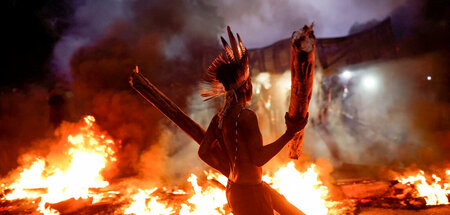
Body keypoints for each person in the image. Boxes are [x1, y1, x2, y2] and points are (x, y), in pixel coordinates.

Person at [198, 26, 308, 215]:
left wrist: (232, 170)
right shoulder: (246, 116)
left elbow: (203, 153)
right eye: (250, 82)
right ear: (246, 86)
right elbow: (259, 158)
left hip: (234, 189)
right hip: (250, 193)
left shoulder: (220, 117)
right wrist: (290, 133)